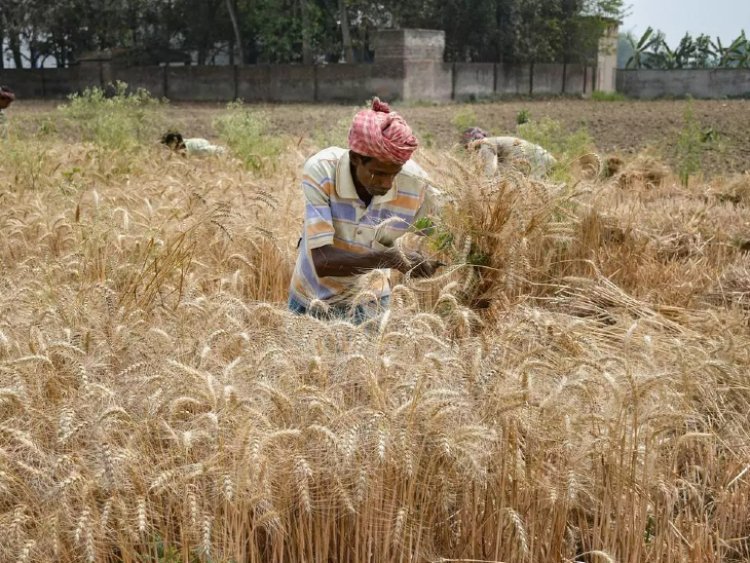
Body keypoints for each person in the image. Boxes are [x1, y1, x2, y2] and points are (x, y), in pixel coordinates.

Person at [288, 98, 443, 323]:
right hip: (310, 301)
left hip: (371, 304)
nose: (388, 183)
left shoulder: (416, 184)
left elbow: (455, 225)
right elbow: (322, 262)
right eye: (378, 173)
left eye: (394, 173)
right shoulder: (322, 170)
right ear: (355, 158)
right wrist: (391, 258)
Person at [462, 127, 557, 179]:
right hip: (547, 159)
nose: (468, 151)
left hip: (536, 162)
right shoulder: (494, 142)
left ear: (472, 142)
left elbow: (489, 174)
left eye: (467, 147)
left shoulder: (486, 144)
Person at [161, 131, 226, 156]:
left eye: (168, 143)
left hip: (206, 147)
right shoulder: (180, 147)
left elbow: (219, 150)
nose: (167, 146)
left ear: (175, 140)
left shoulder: (190, 147)